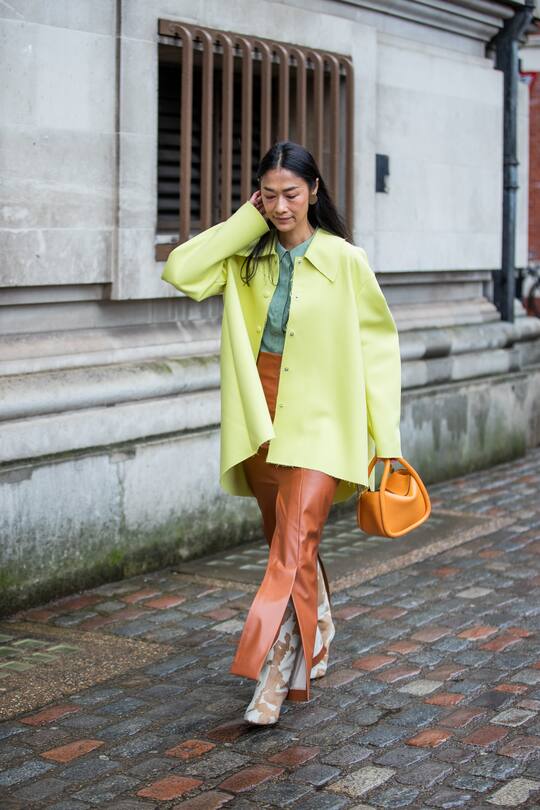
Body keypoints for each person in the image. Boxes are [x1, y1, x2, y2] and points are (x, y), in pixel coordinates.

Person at [161, 140, 402, 725]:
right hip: (263, 417)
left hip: (323, 416)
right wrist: (247, 220)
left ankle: (274, 670)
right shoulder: (248, 258)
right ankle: (316, 621)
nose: (280, 206)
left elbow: (378, 350)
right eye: (268, 196)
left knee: (291, 548)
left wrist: (387, 443)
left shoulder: (346, 260)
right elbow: (179, 270)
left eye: (290, 194)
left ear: (314, 191)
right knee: (286, 540)